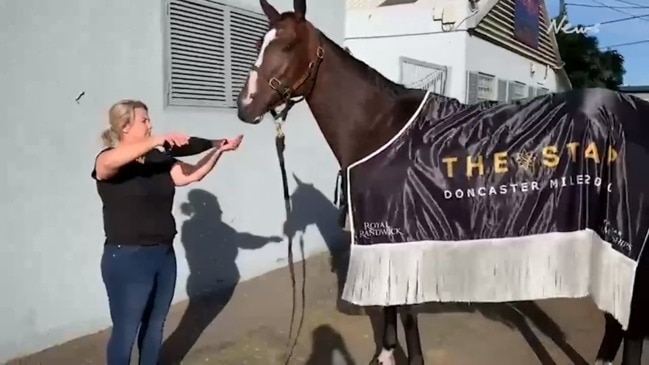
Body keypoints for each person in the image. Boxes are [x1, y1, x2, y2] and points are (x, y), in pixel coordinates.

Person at [91, 99, 243, 365]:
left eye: (149, 120)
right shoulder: (108, 159)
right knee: (126, 330)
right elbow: (108, 164)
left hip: (163, 256)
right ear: (125, 127)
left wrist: (219, 148)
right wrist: (159, 139)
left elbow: (192, 175)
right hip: (127, 259)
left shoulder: (158, 160)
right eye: (144, 120)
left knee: (154, 327)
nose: (150, 124)